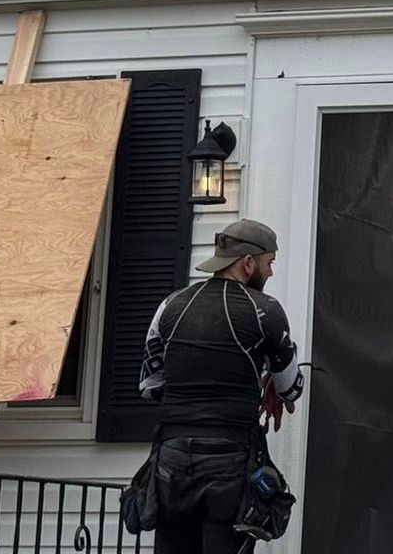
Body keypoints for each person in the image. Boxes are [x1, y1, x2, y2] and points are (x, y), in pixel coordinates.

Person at [140, 218, 304, 553]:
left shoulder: (170, 306)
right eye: (269, 263)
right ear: (247, 263)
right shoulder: (266, 311)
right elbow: (290, 389)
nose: (270, 273)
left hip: (171, 459)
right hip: (228, 460)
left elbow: (150, 385)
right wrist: (269, 378)